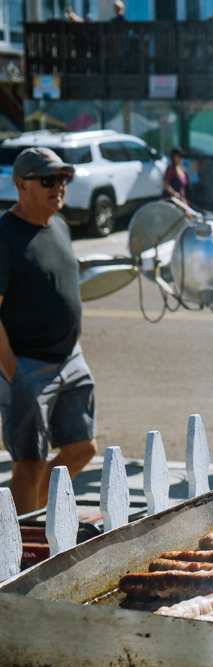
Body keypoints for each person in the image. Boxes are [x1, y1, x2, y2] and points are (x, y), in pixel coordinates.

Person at [0, 148, 98, 513]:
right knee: (30, 462)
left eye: (63, 179)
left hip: (70, 359)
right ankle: (19, 545)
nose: (58, 187)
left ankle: (34, 509)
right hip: (27, 365)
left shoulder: (59, 226)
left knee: (82, 448)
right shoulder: (5, 236)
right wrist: (13, 374)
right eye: (48, 180)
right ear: (21, 185)